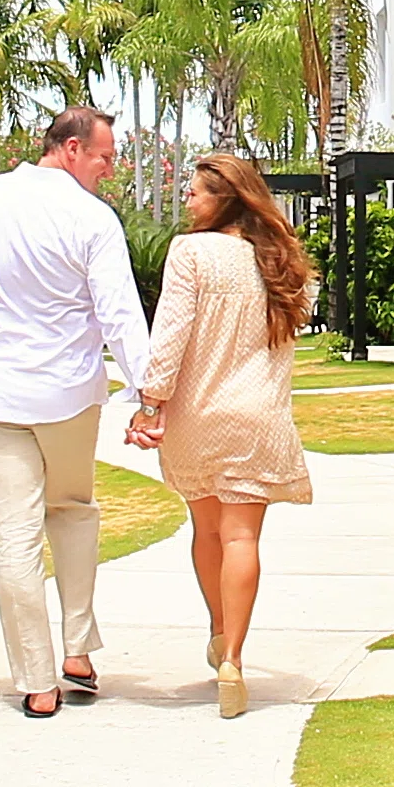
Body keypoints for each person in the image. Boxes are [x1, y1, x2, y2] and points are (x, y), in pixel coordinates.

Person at [0, 106, 147, 718]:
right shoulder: (91, 218)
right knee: (72, 509)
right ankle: (76, 645)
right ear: (71, 149)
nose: (110, 168)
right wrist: (148, 390)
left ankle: (38, 678)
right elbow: (119, 312)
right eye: (104, 156)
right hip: (70, 396)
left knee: (12, 535)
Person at [129, 153, 317, 718]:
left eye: (195, 192)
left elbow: (171, 334)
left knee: (207, 531)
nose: (187, 200)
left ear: (225, 198)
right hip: (258, 415)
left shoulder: (191, 253)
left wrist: (149, 404)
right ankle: (234, 655)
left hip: (199, 415)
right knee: (243, 539)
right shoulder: (281, 263)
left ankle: (217, 628)